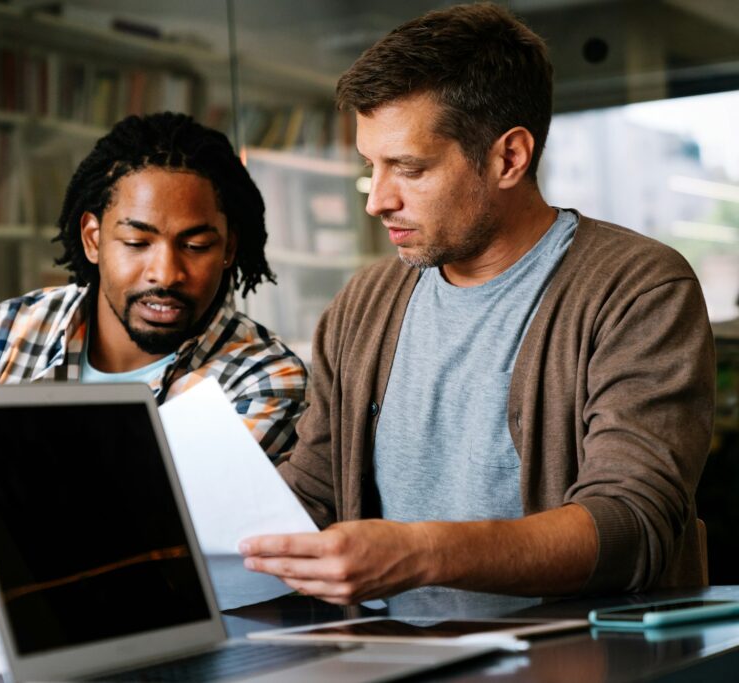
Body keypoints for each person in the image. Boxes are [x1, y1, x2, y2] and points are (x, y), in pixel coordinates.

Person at [240, 3, 715, 603]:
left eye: (408, 169)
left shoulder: (637, 290)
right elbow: (313, 491)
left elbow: (631, 523)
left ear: (508, 158)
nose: (377, 200)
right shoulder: (363, 304)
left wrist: (421, 553)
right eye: (371, 167)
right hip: (386, 655)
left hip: (564, 661)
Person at [0, 112, 308, 613]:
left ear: (228, 250)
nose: (166, 272)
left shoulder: (263, 380)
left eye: (197, 245)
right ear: (92, 239)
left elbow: (131, 558)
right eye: (136, 242)